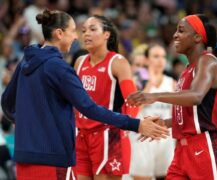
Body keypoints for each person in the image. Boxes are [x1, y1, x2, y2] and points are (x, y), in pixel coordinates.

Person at [1, 9, 169, 180]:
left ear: (107, 35)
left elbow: (7, 102)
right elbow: (88, 107)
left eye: (91, 29)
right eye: (77, 31)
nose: (79, 36)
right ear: (59, 33)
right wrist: (137, 124)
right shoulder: (69, 65)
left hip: (103, 136)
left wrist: (28, 124)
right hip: (64, 146)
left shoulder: (26, 60)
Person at [126, 14, 217, 179]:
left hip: (207, 147)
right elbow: (195, 114)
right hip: (182, 150)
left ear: (197, 37)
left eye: (181, 31)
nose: (175, 35)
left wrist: (154, 96)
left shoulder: (208, 61)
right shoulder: (186, 71)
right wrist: (164, 123)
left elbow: (196, 97)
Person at [74, 15, 140, 180]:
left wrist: (126, 125)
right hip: (81, 136)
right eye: (84, 31)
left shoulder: (118, 62)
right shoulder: (79, 62)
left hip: (107, 135)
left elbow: (133, 101)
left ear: (106, 34)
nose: (86, 34)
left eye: (93, 29)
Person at [129, 44, 176, 180]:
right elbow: (132, 110)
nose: (160, 60)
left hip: (165, 138)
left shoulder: (172, 83)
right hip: (142, 139)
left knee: (166, 176)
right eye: (155, 56)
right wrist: (148, 86)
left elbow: (176, 114)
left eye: (163, 56)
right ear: (147, 60)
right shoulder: (137, 81)